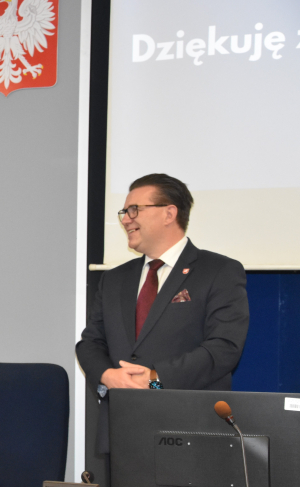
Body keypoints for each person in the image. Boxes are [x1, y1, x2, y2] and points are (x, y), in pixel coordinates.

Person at [76, 173, 249, 453]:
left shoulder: (218, 271)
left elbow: (224, 348)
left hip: (190, 434)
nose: (126, 219)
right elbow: (91, 343)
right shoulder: (114, 279)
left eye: (135, 210)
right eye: (124, 211)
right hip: (121, 433)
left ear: (169, 213)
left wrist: (155, 380)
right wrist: (108, 375)